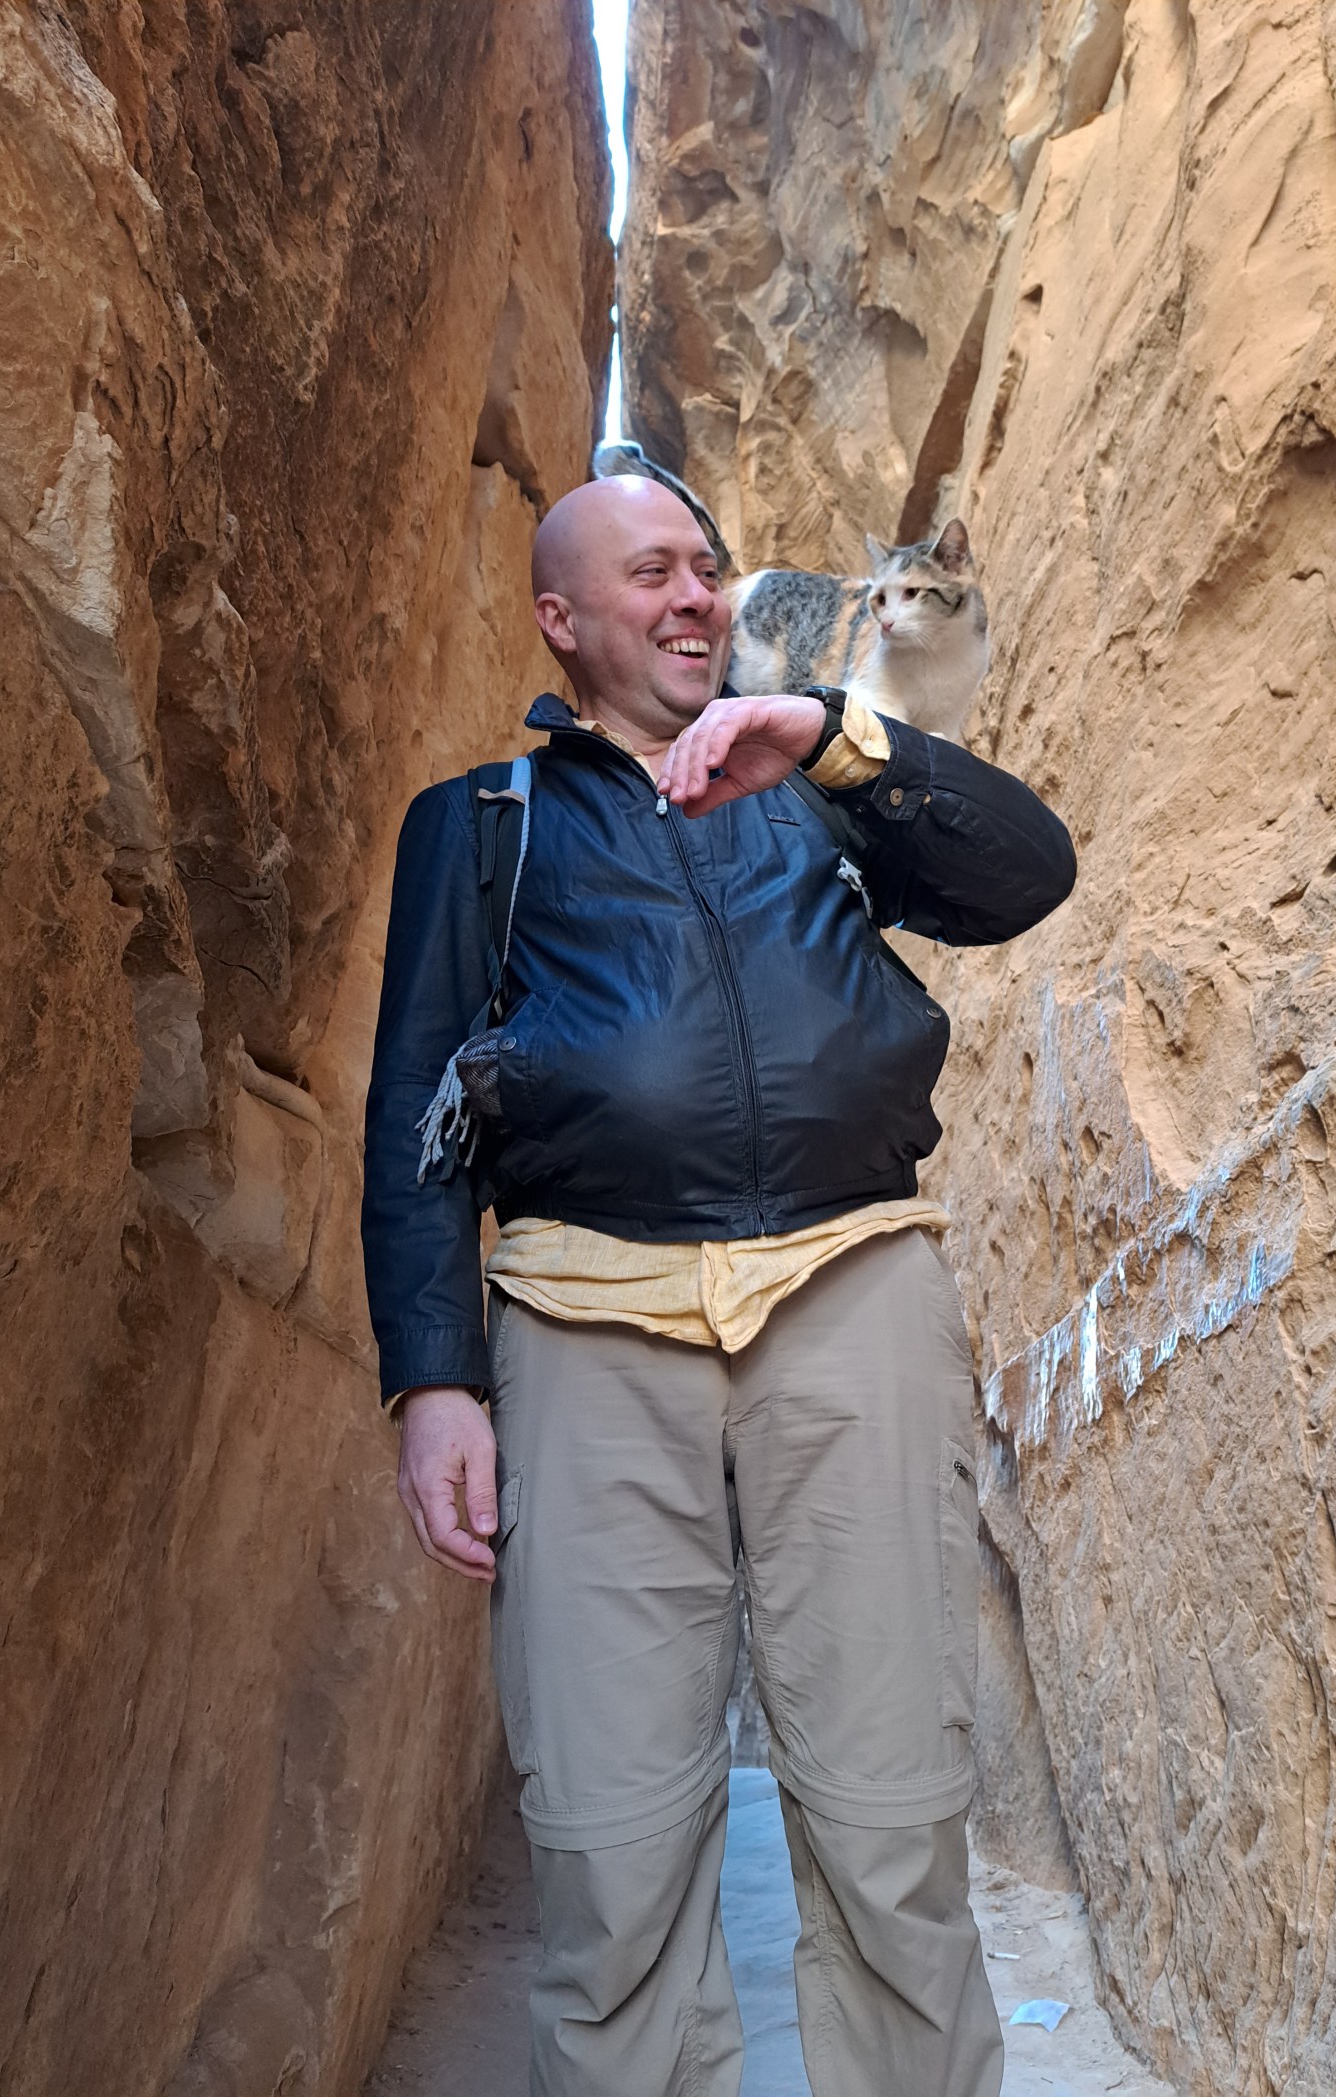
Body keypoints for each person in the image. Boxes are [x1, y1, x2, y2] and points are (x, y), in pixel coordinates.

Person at [361, 473, 1076, 2097]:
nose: (692, 594)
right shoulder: (481, 827)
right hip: (581, 1319)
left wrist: (834, 736)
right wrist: (432, 1378)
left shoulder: (808, 779)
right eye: (648, 573)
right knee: (611, 1853)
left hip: (853, 1287)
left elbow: (1028, 871)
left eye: (705, 566)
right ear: (562, 619)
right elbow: (417, 1120)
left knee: (896, 1817)